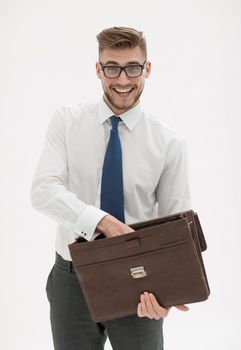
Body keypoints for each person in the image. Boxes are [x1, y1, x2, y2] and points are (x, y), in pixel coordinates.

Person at [31, 26, 191, 350]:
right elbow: (43, 190)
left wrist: (168, 292)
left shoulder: (169, 143)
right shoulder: (65, 122)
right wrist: (100, 221)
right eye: (112, 68)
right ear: (98, 69)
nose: (122, 80)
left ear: (147, 68)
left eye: (132, 67)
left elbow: (176, 227)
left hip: (140, 283)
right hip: (71, 280)